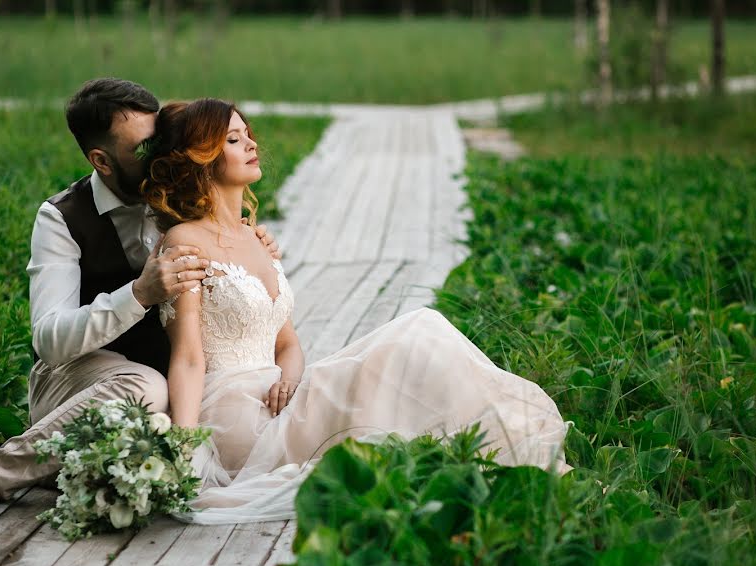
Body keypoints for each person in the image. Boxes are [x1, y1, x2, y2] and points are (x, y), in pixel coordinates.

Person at [144, 98, 571, 525]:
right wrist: (184, 447)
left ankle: (505, 450)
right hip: (238, 418)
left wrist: (290, 378)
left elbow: (287, 342)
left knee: (412, 350)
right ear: (201, 161)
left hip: (281, 394)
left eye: (247, 133)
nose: (251, 143)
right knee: (414, 335)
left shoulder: (253, 237)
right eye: (233, 139)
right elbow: (188, 357)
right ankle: (505, 453)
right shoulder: (185, 242)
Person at [0, 79, 282, 516]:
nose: (162, 154)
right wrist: (139, 294)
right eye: (143, 149)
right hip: (82, 378)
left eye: (161, 139)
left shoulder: (181, 202)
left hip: (176, 379)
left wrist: (251, 250)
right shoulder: (62, 218)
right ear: (101, 160)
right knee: (145, 387)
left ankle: (87, 459)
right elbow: (50, 341)